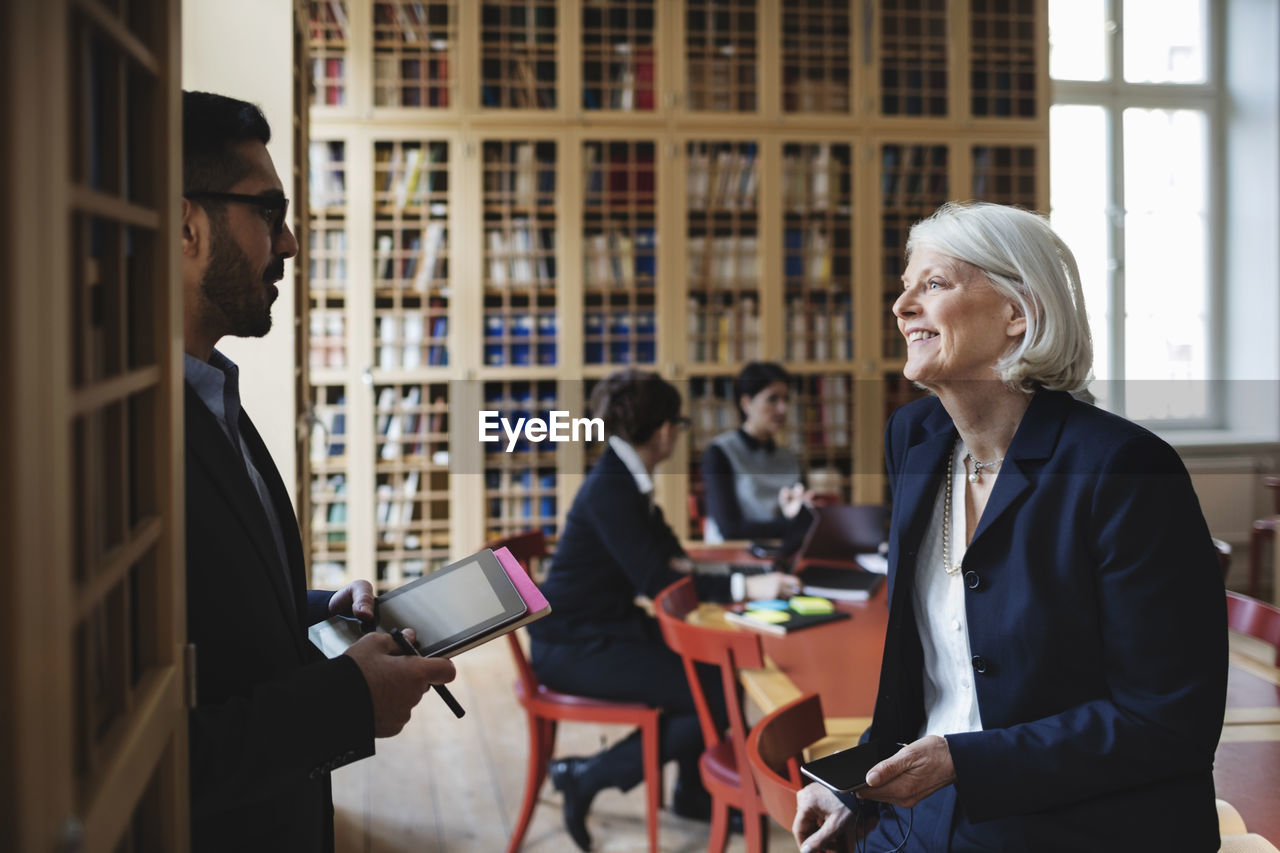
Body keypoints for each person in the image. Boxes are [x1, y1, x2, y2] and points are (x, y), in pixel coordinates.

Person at [792, 202, 1227, 852]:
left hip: (1079, 827)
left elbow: (1167, 720)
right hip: (929, 811)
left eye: (933, 284)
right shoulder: (915, 438)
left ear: (1018, 313)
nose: (902, 304)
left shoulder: (1125, 468)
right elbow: (931, 681)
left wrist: (965, 760)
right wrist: (855, 784)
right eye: (906, 285)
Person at [181, 91, 456, 852]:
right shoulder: (125, 444)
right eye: (270, 211)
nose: (292, 242)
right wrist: (347, 699)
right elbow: (150, 748)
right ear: (186, 225)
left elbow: (203, 622)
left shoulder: (212, 397)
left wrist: (314, 606)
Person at [527, 369, 800, 851]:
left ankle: (690, 794)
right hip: (573, 646)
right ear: (663, 431)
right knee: (711, 692)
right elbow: (660, 581)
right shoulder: (613, 486)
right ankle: (587, 775)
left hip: (604, 629)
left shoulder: (625, 476)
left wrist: (713, 573)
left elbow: (669, 555)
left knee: (713, 675)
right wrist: (748, 583)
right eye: (679, 423)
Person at [701, 361, 813, 545]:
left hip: (784, 552)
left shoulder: (791, 458)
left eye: (786, 400)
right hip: (735, 554)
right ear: (746, 403)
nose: (782, 409)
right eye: (773, 399)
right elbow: (730, 528)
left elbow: (808, 522)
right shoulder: (720, 453)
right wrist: (790, 525)